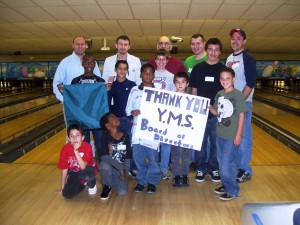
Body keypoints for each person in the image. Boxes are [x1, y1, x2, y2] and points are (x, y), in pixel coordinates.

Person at [190, 38, 226, 183]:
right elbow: (194, 90)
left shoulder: (223, 70)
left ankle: (213, 167)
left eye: (216, 50)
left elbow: (226, 91)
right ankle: (200, 167)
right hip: (201, 112)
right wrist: (194, 110)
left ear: (220, 52)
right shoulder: (198, 68)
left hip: (217, 113)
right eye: (210, 49)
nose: (212, 53)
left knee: (216, 143)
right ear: (206, 49)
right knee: (200, 142)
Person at [209, 67, 248, 201]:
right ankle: (226, 185)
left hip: (231, 136)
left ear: (233, 79)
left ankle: (232, 190)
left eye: (228, 78)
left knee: (227, 163)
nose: (225, 81)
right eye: (222, 78)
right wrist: (210, 108)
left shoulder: (237, 95)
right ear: (220, 80)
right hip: (220, 134)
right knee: (221, 162)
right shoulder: (219, 94)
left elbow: (242, 116)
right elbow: (217, 113)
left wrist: (238, 135)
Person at [226, 28, 258, 183]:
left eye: (239, 38)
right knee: (234, 137)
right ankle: (237, 167)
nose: (235, 41)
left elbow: (250, 82)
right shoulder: (229, 58)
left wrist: (239, 103)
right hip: (230, 105)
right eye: (233, 38)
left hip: (242, 104)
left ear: (244, 41)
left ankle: (245, 169)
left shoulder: (248, 57)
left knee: (244, 137)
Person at [125, 63, 161, 194]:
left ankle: (152, 181)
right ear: (140, 75)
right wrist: (133, 111)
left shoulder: (159, 91)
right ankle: (141, 181)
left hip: (152, 131)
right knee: (138, 157)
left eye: (150, 73)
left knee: (153, 158)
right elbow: (127, 109)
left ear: (154, 75)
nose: (148, 75)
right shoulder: (134, 90)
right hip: (137, 131)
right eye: (145, 73)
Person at [71, 54, 106, 157]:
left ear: (95, 64)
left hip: (97, 119)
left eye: (91, 62)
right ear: (82, 64)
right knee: (83, 144)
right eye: (86, 62)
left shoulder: (101, 81)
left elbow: (103, 101)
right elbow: (73, 99)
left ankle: (103, 166)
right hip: (82, 119)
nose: (89, 65)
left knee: (100, 144)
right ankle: (85, 166)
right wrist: (64, 92)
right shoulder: (75, 81)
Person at [108, 60, 137, 176]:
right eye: (120, 68)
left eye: (125, 69)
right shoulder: (112, 86)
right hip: (117, 121)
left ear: (128, 70)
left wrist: (132, 117)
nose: (122, 71)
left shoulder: (132, 85)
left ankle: (132, 167)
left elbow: (136, 102)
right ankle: (121, 168)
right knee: (119, 146)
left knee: (130, 145)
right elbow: (109, 103)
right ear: (115, 70)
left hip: (128, 120)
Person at [184, 33, 208, 170]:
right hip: (191, 103)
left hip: (206, 104)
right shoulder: (188, 61)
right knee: (192, 133)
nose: (195, 46)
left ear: (204, 44)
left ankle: (205, 162)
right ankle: (193, 160)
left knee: (206, 137)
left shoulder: (209, 58)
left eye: (198, 43)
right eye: (193, 44)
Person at [53, 36, 101, 103]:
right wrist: (65, 100)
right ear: (73, 45)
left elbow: (99, 82)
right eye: (77, 44)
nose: (80, 46)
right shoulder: (65, 62)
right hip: (71, 103)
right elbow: (57, 83)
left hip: (90, 103)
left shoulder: (93, 62)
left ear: (86, 46)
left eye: (82, 44)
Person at [98, 112, 132, 201]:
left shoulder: (126, 136)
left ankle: (110, 179)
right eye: (113, 118)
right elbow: (103, 156)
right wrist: (121, 168)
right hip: (111, 166)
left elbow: (128, 156)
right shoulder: (105, 137)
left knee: (122, 192)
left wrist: (125, 171)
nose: (116, 118)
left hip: (121, 169)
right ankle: (107, 185)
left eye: (116, 116)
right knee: (103, 165)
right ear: (108, 125)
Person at [57, 124, 97, 199]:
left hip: (88, 170)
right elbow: (64, 168)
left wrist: (75, 151)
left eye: (77, 135)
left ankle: (92, 183)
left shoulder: (87, 146)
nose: (74, 138)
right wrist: (63, 188)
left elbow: (83, 167)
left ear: (82, 137)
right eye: (71, 136)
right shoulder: (65, 149)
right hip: (75, 172)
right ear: (68, 138)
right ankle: (83, 183)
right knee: (67, 194)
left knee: (86, 173)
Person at [153, 49, 176, 180]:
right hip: (152, 115)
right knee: (154, 143)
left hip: (166, 115)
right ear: (155, 61)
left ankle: (164, 168)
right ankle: (155, 167)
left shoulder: (171, 77)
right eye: (159, 59)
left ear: (167, 61)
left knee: (166, 144)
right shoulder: (150, 74)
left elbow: (174, 96)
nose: (161, 62)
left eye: (164, 59)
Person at [171, 72, 191, 187]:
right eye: (177, 82)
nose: (180, 85)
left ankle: (185, 175)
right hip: (174, 132)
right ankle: (176, 175)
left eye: (183, 82)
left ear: (187, 83)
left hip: (187, 133)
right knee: (175, 155)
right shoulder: (169, 98)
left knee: (186, 156)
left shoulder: (192, 100)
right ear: (174, 83)